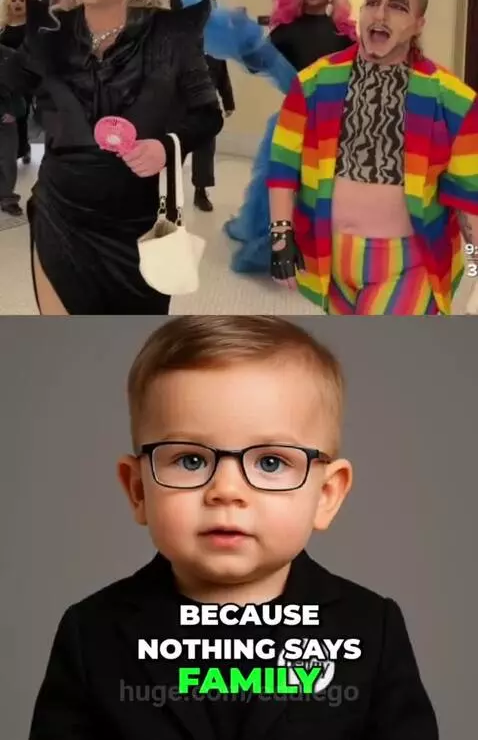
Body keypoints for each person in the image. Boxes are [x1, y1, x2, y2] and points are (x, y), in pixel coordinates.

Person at [28, 316, 439, 740]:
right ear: (138, 490)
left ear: (326, 495)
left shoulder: (370, 628)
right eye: (191, 460)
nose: (226, 491)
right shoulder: (91, 632)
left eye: (271, 462)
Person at [0, 0, 222, 316]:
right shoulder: (50, 34)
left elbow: (207, 113)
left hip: (135, 225)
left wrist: (166, 147)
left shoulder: (170, 34)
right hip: (59, 213)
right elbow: (9, 81)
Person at [268, 0, 478, 316]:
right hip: (331, 259)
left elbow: (468, 195)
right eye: (373, 2)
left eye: (398, 6)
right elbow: (284, 164)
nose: (380, 15)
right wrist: (281, 234)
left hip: (408, 265)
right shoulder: (314, 82)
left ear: (418, 24)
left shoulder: (454, 99)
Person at [222, 0, 356, 272]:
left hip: (333, 123)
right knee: (281, 182)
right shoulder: (285, 31)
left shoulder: (344, 33)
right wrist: (242, 37)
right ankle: (276, 241)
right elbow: (258, 62)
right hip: (293, 119)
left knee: (326, 186)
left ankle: (320, 245)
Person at [172, 0, 235, 213]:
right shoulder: (170, 41)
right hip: (177, 108)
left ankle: (201, 191)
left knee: (205, 150)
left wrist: (228, 102)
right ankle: (167, 193)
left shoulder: (214, 44)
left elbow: (222, 75)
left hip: (206, 106)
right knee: (174, 150)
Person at [0, 0, 49, 164]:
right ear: (8, 4)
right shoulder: (2, 28)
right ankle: (16, 149)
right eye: (14, 0)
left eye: (21, 0)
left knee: (22, 113)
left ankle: (24, 147)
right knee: (10, 116)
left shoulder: (33, 25)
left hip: (29, 77)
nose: (18, 4)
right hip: (7, 80)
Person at [0, 67, 26, 216]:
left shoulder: (8, 57)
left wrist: (13, 110)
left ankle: (7, 198)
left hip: (6, 119)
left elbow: (19, 86)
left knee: (8, 159)